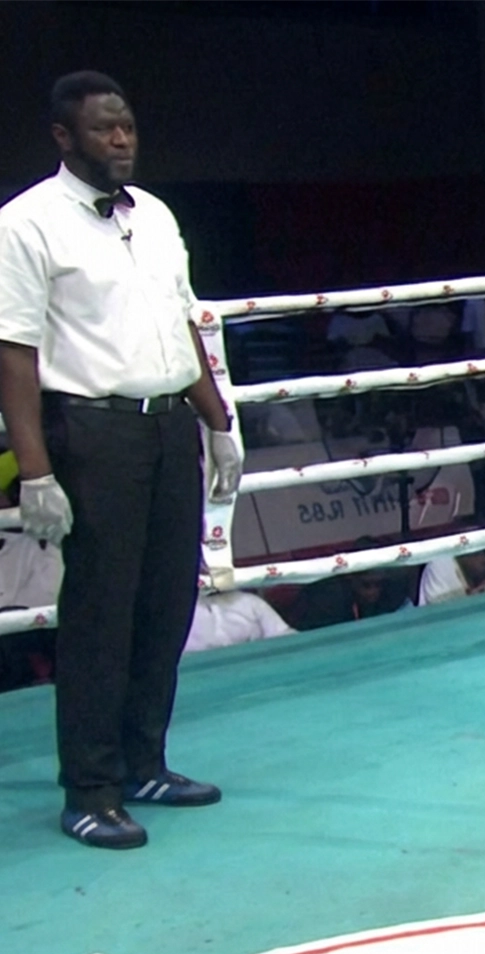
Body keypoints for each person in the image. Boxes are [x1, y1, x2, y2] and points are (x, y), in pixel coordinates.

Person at [0, 72, 243, 850]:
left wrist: (219, 422)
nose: (121, 138)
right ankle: (91, 788)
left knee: (167, 601)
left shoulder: (158, 216)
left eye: (128, 125)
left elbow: (182, 323)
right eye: (104, 128)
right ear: (63, 137)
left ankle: (145, 763)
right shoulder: (27, 223)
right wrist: (35, 467)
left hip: (168, 424)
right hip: (91, 429)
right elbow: (13, 350)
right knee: (101, 613)